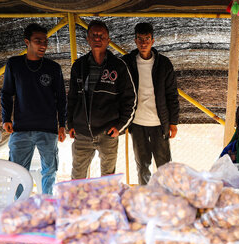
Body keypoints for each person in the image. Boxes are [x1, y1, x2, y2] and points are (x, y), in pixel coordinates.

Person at [1, 23, 66, 195]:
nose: (43, 45)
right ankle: (20, 207)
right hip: (21, 128)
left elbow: (61, 98)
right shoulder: (14, 64)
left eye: (45, 41)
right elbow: (7, 93)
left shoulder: (53, 68)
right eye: (38, 41)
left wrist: (62, 124)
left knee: (49, 172)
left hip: (48, 129)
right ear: (27, 42)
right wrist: (6, 118)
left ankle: (47, 206)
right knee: (18, 173)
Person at [67, 20, 137, 179]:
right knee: (77, 176)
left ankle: (106, 203)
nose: (97, 38)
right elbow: (71, 98)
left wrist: (119, 127)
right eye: (94, 35)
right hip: (82, 133)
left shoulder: (119, 66)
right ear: (87, 39)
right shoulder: (79, 66)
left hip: (108, 132)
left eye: (101, 35)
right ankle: (77, 204)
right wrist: (70, 123)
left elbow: (130, 99)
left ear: (108, 40)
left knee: (108, 178)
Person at [122, 22, 179, 185]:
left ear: (153, 41)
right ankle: (145, 199)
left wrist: (173, 122)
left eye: (147, 38)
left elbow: (172, 94)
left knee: (165, 166)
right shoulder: (127, 62)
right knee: (142, 166)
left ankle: (167, 197)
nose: (143, 42)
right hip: (137, 123)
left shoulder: (164, 64)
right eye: (140, 39)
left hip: (159, 122)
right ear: (135, 41)